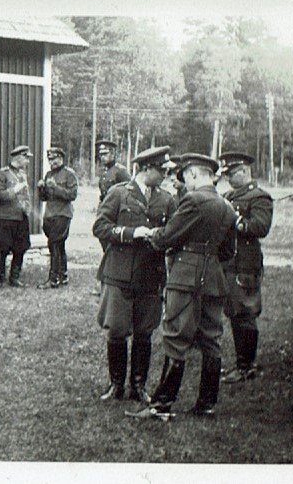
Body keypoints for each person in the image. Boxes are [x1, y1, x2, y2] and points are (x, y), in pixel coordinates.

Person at [127, 153, 237, 420]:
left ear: (194, 174)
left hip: (186, 277)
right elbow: (228, 251)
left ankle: (161, 405)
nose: (185, 183)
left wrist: (153, 234)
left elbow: (167, 237)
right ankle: (206, 404)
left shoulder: (193, 200)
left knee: (176, 336)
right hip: (214, 279)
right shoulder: (227, 206)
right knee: (211, 339)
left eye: (185, 177)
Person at [92, 146, 177, 403]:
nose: (165, 175)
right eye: (161, 170)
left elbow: (173, 233)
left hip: (150, 274)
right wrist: (131, 233)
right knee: (117, 330)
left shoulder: (167, 199)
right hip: (119, 272)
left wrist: (160, 239)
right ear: (146, 169)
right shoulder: (119, 193)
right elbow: (100, 227)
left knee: (144, 331)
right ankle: (116, 385)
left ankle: (138, 386)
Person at [218, 152, 273, 383]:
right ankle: (242, 363)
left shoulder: (259, 197)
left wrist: (236, 221)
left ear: (244, 171)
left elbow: (260, 227)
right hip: (230, 263)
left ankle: (246, 366)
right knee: (234, 311)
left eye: (231, 174)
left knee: (245, 314)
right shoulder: (230, 195)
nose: (228, 178)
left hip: (245, 264)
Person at [92, 140, 131, 296]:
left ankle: (110, 283)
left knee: (112, 248)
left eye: (106, 154)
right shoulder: (105, 172)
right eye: (100, 154)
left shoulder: (121, 171)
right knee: (105, 247)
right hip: (105, 211)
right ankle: (106, 282)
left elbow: (129, 192)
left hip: (117, 214)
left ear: (114, 154)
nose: (102, 157)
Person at [37, 146, 78, 288]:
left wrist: (56, 187)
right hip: (50, 214)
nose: (51, 162)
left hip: (63, 214)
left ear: (61, 158)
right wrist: (41, 188)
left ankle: (53, 279)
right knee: (58, 246)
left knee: (54, 244)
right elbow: (44, 198)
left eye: (54, 159)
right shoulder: (48, 174)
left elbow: (72, 195)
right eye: (49, 159)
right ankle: (63, 275)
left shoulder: (69, 174)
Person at [0, 145, 33, 287]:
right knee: (3, 249)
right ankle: (1, 280)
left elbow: (26, 195)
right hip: (5, 217)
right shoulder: (2, 173)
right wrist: (14, 190)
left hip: (21, 217)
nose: (28, 162)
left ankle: (14, 278)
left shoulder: (22, 174)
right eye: (26, 158)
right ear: (19, 157)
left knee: (21, 248)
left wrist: (27, 208)